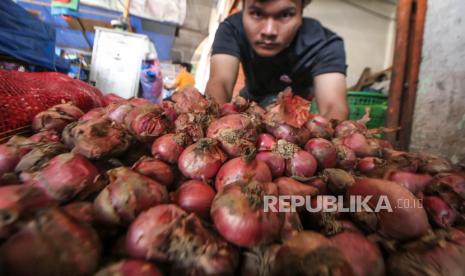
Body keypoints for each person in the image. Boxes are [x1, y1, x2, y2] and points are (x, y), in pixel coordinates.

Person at [205, 0, 349, 121]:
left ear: (301, 12)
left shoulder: (325, 43)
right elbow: (220, 81)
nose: (269, 31)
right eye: (256, 13)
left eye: (285, 15)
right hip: (250, 103)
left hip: (295, 115)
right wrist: (214, 123)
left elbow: (333, 106)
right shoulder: (231, 29)